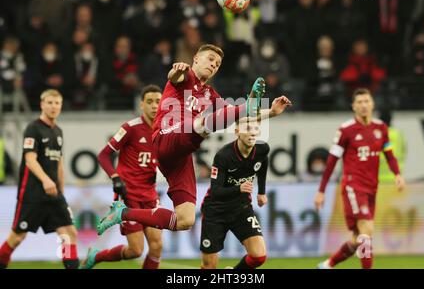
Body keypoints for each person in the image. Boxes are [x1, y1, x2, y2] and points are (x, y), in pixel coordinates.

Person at [97, 44, 291, 235]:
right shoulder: (186, 74)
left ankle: (122, 213)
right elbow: (174, 77)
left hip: (181, 154)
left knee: (185, 219)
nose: (214, 65)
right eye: (210, 59)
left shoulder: (210, 94)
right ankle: (247, 104)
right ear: (196, 58)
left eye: (217, 64)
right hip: (166, 136)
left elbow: (235, 117)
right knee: (201, 124)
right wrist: (176, 70)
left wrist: (272, 112)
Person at [314, 88, 406, 269]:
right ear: (353, 107)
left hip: (372, 188)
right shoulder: (346, 130)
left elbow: (389, 154)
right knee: (367, 229)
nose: (364, 105)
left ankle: (328, 264)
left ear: (372, 104)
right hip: (353, 186)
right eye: (360, 102)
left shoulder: (381, 128)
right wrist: (321, 191)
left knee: (359, 238)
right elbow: (331, 162)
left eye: (367, 101)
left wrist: (397, 175)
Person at [80, 85, 163, 269]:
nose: (154, 106)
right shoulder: (130, 128)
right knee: (136, 250)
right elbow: (103, 155)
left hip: (150, 195)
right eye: (149, 101)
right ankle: (97, 256)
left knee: (157, 246)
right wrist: (115, 177)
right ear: (141, 104)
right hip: (129, 196)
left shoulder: (164, 131)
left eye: (158, 101)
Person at [0, 89, 79, 269]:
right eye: (49, 103)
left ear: (60, 106)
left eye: (57, 103)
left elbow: (58, 164)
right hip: (32, 194)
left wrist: (62, 193)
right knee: (18, 237)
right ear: (42, 105)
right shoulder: (33, 128)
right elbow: (30, 159)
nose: (53, 107)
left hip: (54, 196)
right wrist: (45, 180)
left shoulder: (58, 132)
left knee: (69, 233)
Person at [200, 119, 269, 269]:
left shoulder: (262, 148)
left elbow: (263, 162)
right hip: (216, 211)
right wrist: (239, 188)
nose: (252, 131)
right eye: (247, 128)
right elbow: (216, 191)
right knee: (209, 266)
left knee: (259, 256)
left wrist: (262, 192)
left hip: (241, 208)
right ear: (237, 131)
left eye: (255, 128)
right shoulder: (223, 156)